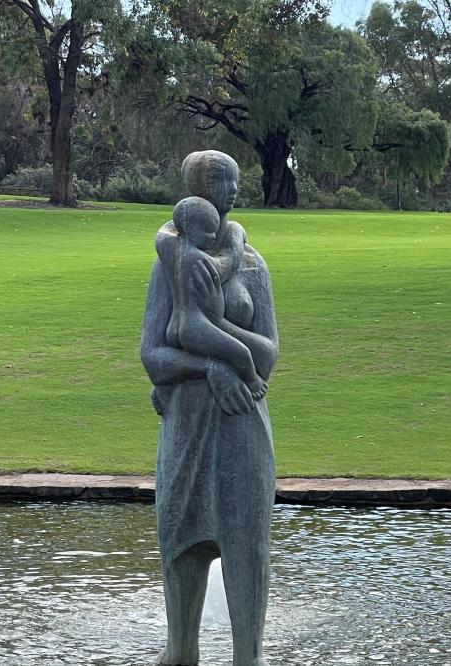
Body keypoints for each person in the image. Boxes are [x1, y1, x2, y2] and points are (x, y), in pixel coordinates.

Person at [140, 150, 279, 666]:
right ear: (197, 185)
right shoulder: (170, 263)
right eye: (221, 179)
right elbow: (153, 354)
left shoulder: (252, 264)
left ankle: (250, 656)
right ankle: (181, 651)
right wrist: (210, 367)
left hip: (242, 422)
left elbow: (269, 353)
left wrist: (229, 354)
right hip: (189, 420)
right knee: (180, 541)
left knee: (247, 548)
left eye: (236, 178)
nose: (232, 188)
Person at [156, 195, 267, 402]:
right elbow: (228, 264)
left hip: (182, 325)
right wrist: (237, 232)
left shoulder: (169, 250)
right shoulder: (196, 259)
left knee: (239, 351)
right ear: (188, 230)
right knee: (241, 353)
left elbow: (162, 237)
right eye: (206, 231)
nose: (212, 236)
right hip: (196, 325)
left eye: (214, 230)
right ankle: (253, 381)